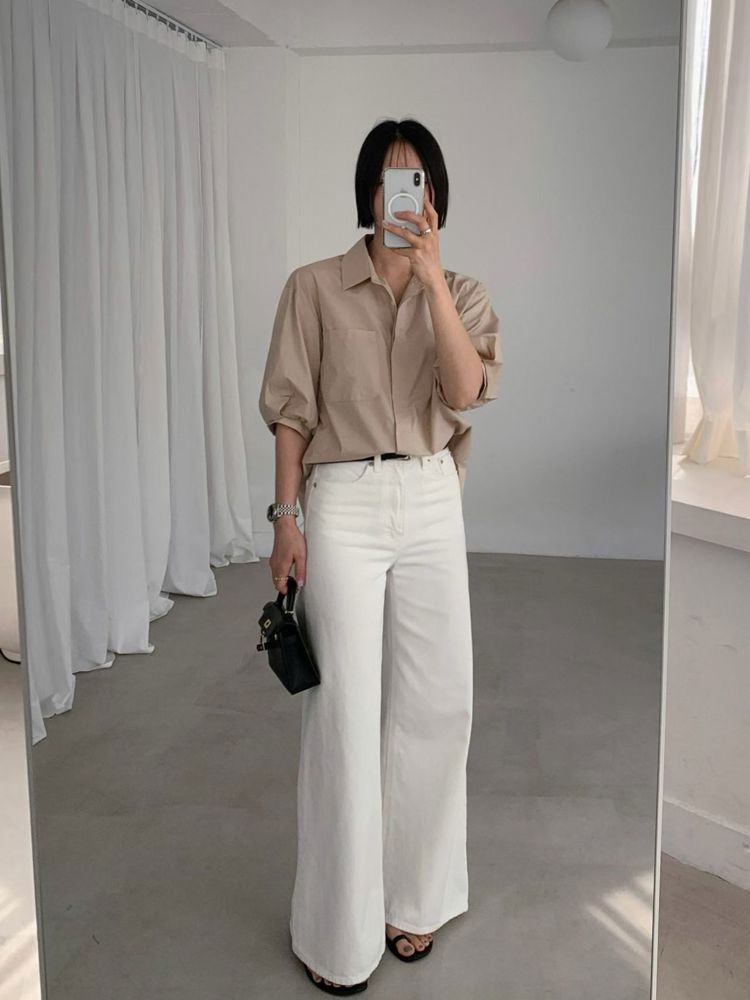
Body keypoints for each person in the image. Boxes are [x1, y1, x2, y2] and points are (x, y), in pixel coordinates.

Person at [258, 118, 502, 995]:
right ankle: (337, 932)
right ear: (368, 192)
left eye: (418, 179)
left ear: (435, 195)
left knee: (440, 702)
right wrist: (286, 521)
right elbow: (292, 412)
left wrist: (430, 279)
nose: (403, 194)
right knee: (345, 714)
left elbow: (465, 391)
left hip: (432, 496)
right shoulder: (313, 287)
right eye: (389, 179)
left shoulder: (463, 292)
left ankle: (416, 898)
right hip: (344, 503)